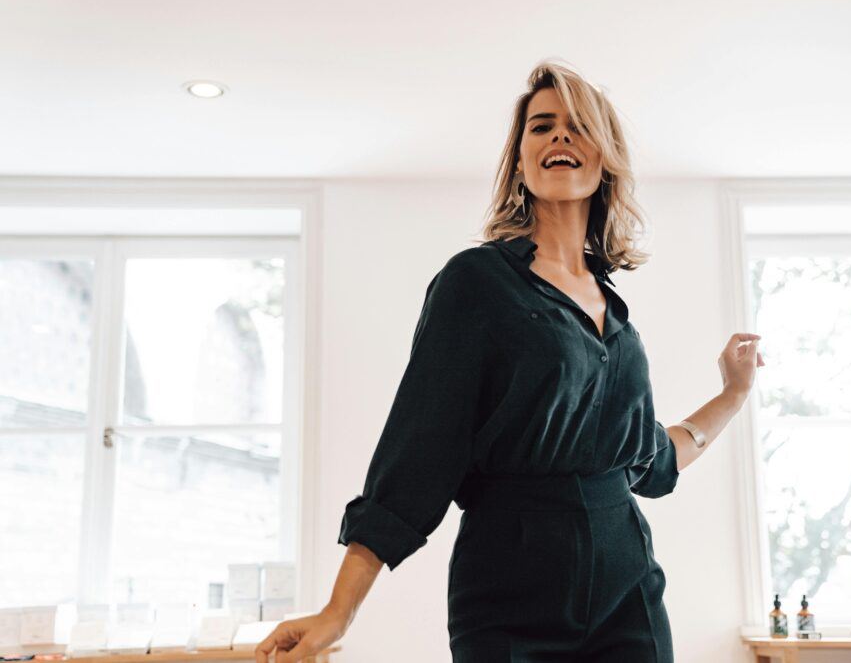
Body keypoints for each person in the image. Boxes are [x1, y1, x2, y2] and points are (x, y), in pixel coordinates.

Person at [256, 58, 764, 663]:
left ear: (605, 158)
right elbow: (417, 453)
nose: (559, 137)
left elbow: (649, 461)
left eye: (578, 126)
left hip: (629, 592)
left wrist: (732, 396)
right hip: (508, 591)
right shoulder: (477, 282)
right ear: (520, 162)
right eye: (541, 127)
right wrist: (338, 612)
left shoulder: (618, 318)